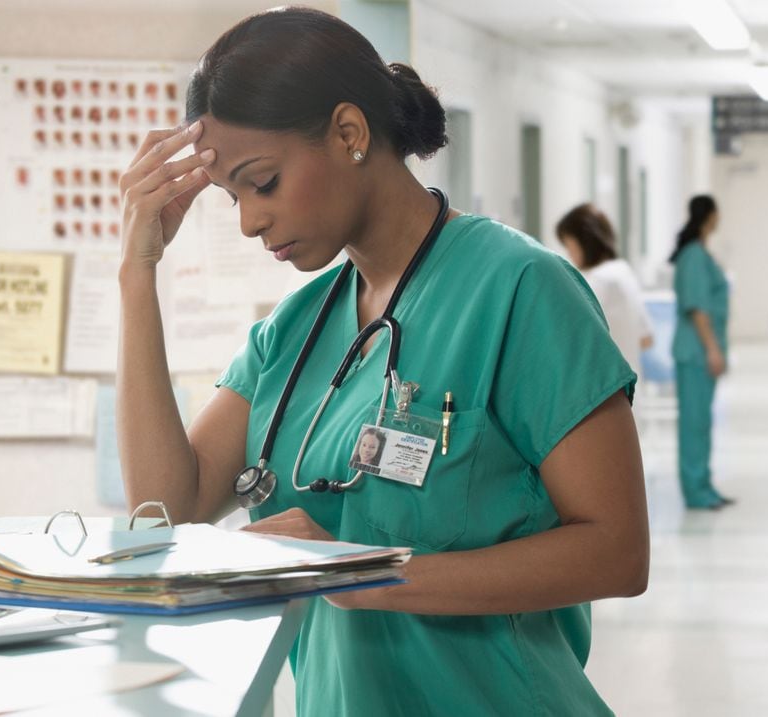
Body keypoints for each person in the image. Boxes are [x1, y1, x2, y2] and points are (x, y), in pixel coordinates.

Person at [116, 8, 648, 715]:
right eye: (231, 195)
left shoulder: (520, 289)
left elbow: (617, 551)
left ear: (349, 133)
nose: (248, 220)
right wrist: (134, 274)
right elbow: (162, 514)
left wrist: (362, 571)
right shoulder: (294, 331)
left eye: (263, 181)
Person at [670, 195, 732, 510]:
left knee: (702, 422)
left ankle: (705, 485)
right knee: (694, 423)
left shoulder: (699, 253)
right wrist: (712, 349)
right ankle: (695, 491)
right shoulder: (694, 256)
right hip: (696, 351)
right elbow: (698, 310)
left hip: (700, 350)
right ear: (710, 216)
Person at [556, 203, 653, 375]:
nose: (569, 253)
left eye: (569, 245)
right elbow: (646, 339)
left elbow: (572, 342)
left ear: (583, 241)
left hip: (605, 389)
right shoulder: (623, 270)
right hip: (631, 388)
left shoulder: (596, 281)